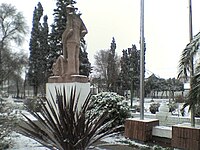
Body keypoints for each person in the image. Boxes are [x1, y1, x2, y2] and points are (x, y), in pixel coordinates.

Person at [62, 4, 88, 75]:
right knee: (76, 57)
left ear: (70, 10)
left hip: (70, 40)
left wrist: (64, 38)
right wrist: (79, 36)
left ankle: (71, 73)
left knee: (71, 56)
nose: (67, 11)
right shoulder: (78, 19)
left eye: (68, 9)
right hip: (77, 41)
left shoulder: (70, 17)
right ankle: (76, 72)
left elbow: (70, 30)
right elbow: (85, 30)